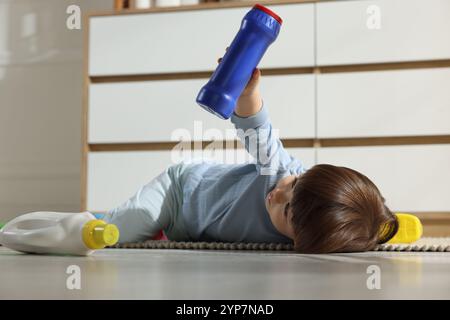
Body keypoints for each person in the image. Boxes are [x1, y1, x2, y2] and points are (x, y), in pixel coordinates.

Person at [103, 55, 398, 254]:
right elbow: (257, 129)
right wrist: (246, 94)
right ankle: (100, 221)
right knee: (117, 233)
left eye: (286, 211)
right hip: (179, 193)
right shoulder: (279, 170)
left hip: (189, 233)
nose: (277, 194)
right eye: (293, 185)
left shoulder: (309, 236)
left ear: (298, 240)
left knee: (149, 232)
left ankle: (158, 231)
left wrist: (371, 231)